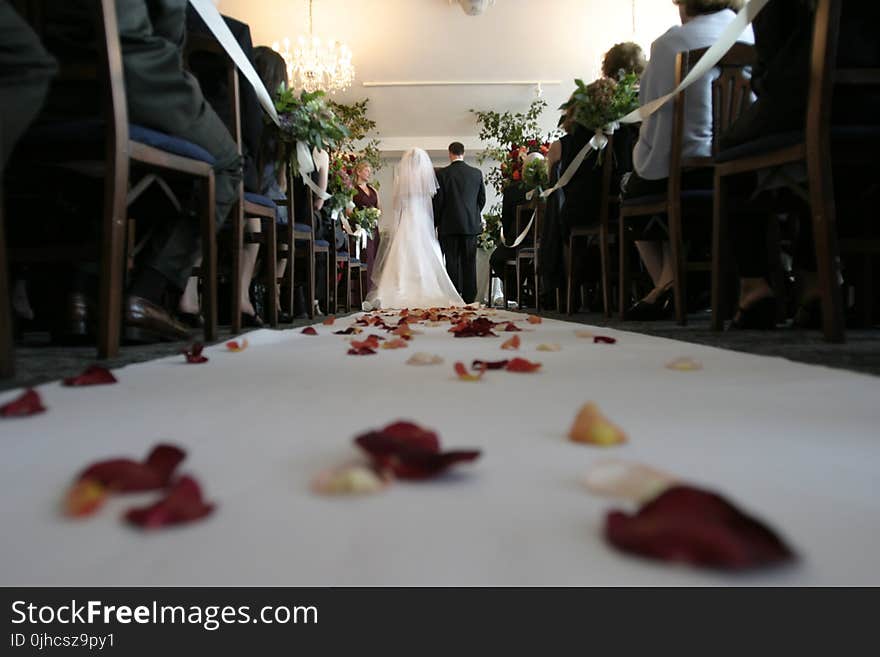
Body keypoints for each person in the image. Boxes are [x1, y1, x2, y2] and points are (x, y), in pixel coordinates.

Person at [40, 0, 243, 342]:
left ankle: (81, 293)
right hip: (135, 70)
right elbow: (167, 22)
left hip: (49, 77)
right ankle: (146, 296)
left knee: (136, 167)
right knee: (227, 164)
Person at [622, 0, 752, 320]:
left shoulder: (669, 45)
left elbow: (653, 119)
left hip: (688, 172)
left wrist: (643, 155)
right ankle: (675, 283)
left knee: (634, 186)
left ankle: (668, 284)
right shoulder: (750, 33)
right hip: (743, 166)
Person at [364, 148, 464, 310]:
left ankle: (399, 288)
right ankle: (426, 288)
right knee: (427, 252)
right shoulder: (426, 179)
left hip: (407, 220)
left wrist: (396, 224)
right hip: (422, 221)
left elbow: (397, 206)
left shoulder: (400, 179)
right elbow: (430, 205)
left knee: (402, 253)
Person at [433, 142, 486, 303]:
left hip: (448, 226)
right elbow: (482, 200)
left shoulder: (442, 174)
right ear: (464, 152)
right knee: (469, 263)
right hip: (470, 225)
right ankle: (470, 298)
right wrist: (473, 215)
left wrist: (435, 222)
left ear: (450, 153)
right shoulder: (476, 173)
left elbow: (439, 202)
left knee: (452, 262)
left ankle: (454, 297)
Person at [352, 160, 382, 283]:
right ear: (358, 172)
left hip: (374, 230)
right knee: (365, 258)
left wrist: (374, 216)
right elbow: (349, 210)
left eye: (370, 171)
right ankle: (363, 292)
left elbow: (379, 208)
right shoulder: (353, 189)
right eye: (366, 170)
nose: (369, 174)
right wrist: (360, 217)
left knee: (374, 259)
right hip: (360, 229)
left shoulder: (373, 190)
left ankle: (373, 290)